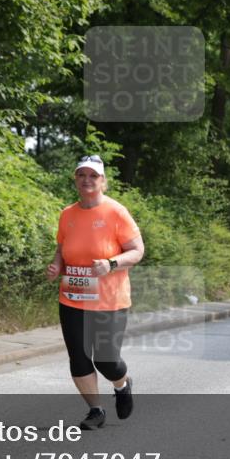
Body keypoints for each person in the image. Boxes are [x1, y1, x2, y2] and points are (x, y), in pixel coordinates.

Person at [46, 155, 144, 430]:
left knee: (107, 359)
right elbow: (62, 248)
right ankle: (95, 410)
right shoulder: (67, 214)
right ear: (75, 179)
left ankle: (122, 385)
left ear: (103, 181)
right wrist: (57, 265)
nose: (87, 180)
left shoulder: (116, 212)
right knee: (78, 356)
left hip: (109, 300)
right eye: (82, 175)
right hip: (73, 296)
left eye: (93, 176)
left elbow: (137, 251)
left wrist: (112, 263)